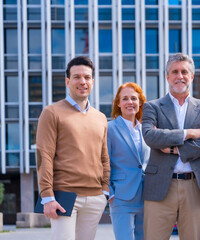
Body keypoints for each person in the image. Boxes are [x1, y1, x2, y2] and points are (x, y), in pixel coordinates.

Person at [141, 53, 200, 240]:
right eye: (174, 71)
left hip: (195, 185)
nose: (180, 76)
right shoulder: (152, 107)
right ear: (167, 76)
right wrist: (189, 133)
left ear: (191, 76)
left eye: (184, 71)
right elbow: (150, 137)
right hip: (160, 186)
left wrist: (174, 149)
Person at [36, 56, 110, 240]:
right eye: (77, 77)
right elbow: (44, 155)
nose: (82, 82)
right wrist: (47, 196)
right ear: (68, 81)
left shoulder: (100, 117)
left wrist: (105, 191)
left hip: (95, 197)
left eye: (87, 77)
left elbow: (104, 157)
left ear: (93, 81)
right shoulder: (51, 112)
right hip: (64, 195)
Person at [107, 82, 150, 240]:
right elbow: (103, 162)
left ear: (140, 102)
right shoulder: (110, 129)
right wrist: (110, 194)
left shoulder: (146, 129)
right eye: (125, 98)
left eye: (134, 98)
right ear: (118, 103)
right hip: (121, 197)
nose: (130, 102)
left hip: (145, 196)